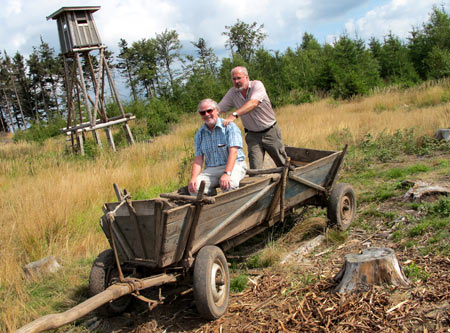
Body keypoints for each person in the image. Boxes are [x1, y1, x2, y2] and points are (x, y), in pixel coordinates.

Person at [220, 66, 288, 170]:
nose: (236, 81)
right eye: (234, 79)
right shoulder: (232, 93)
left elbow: (253, 103)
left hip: (270, 132)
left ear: (247, 77)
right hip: (253, 136)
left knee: (283, 164)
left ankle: (292, 184)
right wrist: (207, 111)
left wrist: (234, 115)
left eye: (239, 78)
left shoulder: (257, 85)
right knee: (255, 170)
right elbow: (219, 108)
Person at [188, 98, 247, 196]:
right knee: (195, 188)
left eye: (209, 110)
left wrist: (227, 173)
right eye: (203, 113)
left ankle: (231, 209)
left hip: (234, 165)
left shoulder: (229, 127)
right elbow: (198, 159)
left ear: (217, 111)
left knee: (229, 184)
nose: (206, 114)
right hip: (212, 169)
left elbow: (234, 152)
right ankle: (210, 208)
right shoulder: (200, 134)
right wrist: (193, 178)